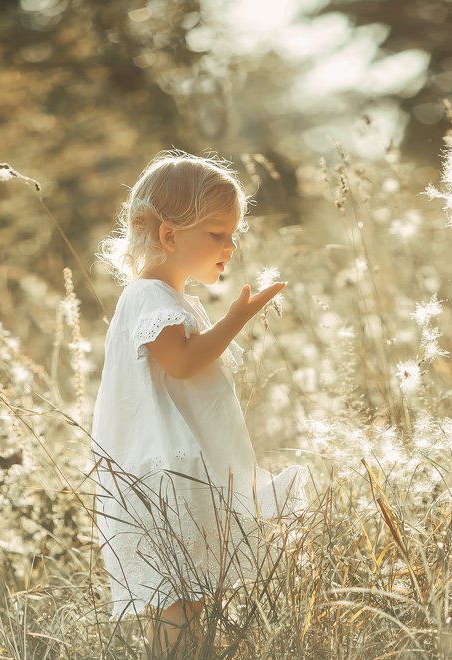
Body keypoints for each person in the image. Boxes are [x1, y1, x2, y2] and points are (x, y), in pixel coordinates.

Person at [90, 150, 306, 655]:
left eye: (233, 234)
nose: (229, 247)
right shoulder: (147, 297)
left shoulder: (170, 299)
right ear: (169, 235)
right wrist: (236, 319)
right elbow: (181, 362)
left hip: (185, 469)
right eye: (216, 234)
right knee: (177, 600)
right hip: (165, 473)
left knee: (190, 597)